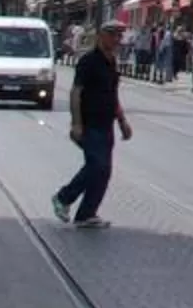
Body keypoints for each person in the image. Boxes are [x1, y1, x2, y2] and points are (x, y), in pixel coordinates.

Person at [51, 20, 134, 226]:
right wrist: (76, 123)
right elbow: (76, 92)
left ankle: (86, 214)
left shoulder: (111, 62)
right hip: (89, 123)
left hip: (106, 124)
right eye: (112, 35)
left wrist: (122, 120)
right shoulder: (88, 61)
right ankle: (63, 197)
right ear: (101, 36)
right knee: (97, 165)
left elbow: (112, 94)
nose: (116, 40)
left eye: (118, 36)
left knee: (104, 171)